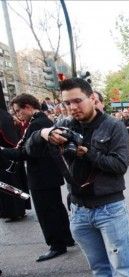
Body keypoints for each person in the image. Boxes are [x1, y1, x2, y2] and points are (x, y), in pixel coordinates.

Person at [26, 78, 129, 277]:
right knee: (99, 266)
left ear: (92, 98)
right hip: (78, 210)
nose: (72, 107)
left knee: (121, 267)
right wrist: (44, 133)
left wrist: (87, 152)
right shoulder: (64, 125)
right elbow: (29, 148)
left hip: (109, 208)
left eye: (77, 100)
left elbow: (119, 166)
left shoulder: (113, 126)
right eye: (67, 102)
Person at [5, 94, 73, 262]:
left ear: (28, 107)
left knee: (46, 211)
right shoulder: (39, 121)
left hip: (42, 176)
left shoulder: (37, 123)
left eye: (18, 111)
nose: (17, 115)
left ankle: (57, 245)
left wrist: (2, 151)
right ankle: (66, 238)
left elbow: (25, 152)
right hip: (47, 175)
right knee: (56, 208)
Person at [0, 106, 30, 222]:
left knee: (9, 186)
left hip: (6, 158)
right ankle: (17, 209)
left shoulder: (3, 116)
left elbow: (9, 138)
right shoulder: (5, 115)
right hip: (8, 156)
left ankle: (14, 212)